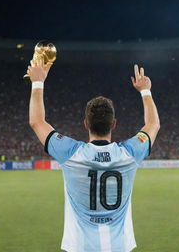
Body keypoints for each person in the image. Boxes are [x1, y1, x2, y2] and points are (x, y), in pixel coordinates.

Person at [27, 58, 160, 252]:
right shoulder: (129, 153)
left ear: (86, 124)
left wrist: (37, 82)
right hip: (119, 246)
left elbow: (37, 121)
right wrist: (145, 90)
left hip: (81, 247)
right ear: (114, 123)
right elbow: (153, 125)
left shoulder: (71, 153)